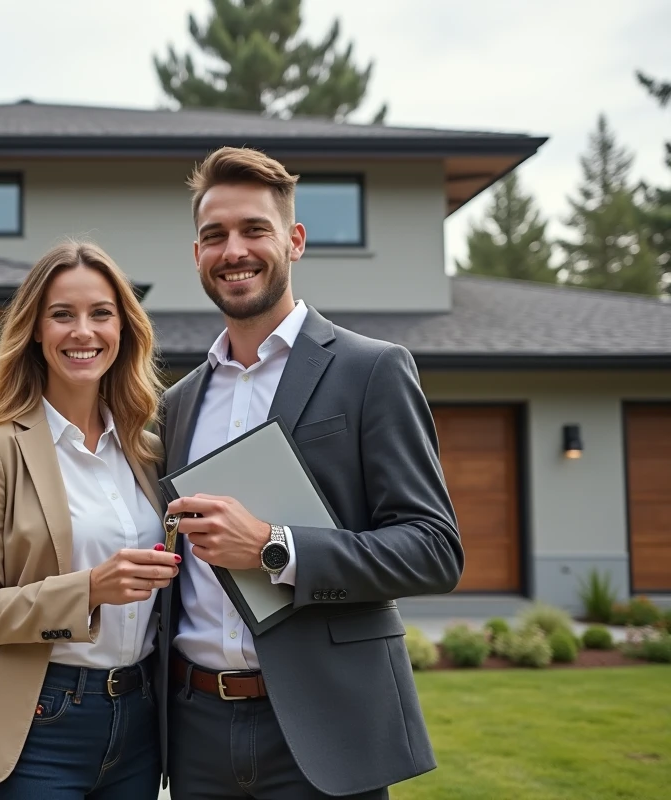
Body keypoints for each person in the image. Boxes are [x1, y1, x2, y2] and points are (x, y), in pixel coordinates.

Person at [155, 146, 464, 799]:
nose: (233, 249)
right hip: (193, 731)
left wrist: (275, 547)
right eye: (215, 235)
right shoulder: (178, 403)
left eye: (254, 230)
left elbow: (434, 550)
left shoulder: (370, 370)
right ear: (197, 255)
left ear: (294, 240)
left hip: (322, 732)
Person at [0, 240, 181, 799]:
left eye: (101, 314)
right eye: (62, 314)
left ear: (124, 330)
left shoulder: (148, 451)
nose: (83, 332)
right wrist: (89, 589)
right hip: (39, 723)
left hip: (139, 724)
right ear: (36, 330)